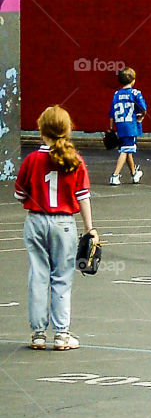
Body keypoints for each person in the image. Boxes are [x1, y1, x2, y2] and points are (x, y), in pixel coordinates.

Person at [14, 105, 96, 351]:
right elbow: (83, 196)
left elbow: (19, 194)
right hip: (64, 224)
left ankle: (38, 334)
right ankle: (62, 334)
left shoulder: (32, 159)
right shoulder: (75, 160)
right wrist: (90, 228)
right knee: (61, 277)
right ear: (68, 130)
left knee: (38, 275)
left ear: (42, 131)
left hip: (36, 220)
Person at [109, 67, 147, 185]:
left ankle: (134, 174)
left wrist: (111, 128)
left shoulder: (116, 94)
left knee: (127, 149)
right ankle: (115, 175)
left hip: (120, 126)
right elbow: (143, 108)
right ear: (133, 80)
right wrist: (141, 116)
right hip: (131, 126)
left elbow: (111, 113)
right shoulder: (135, 93)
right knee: (125, 151)